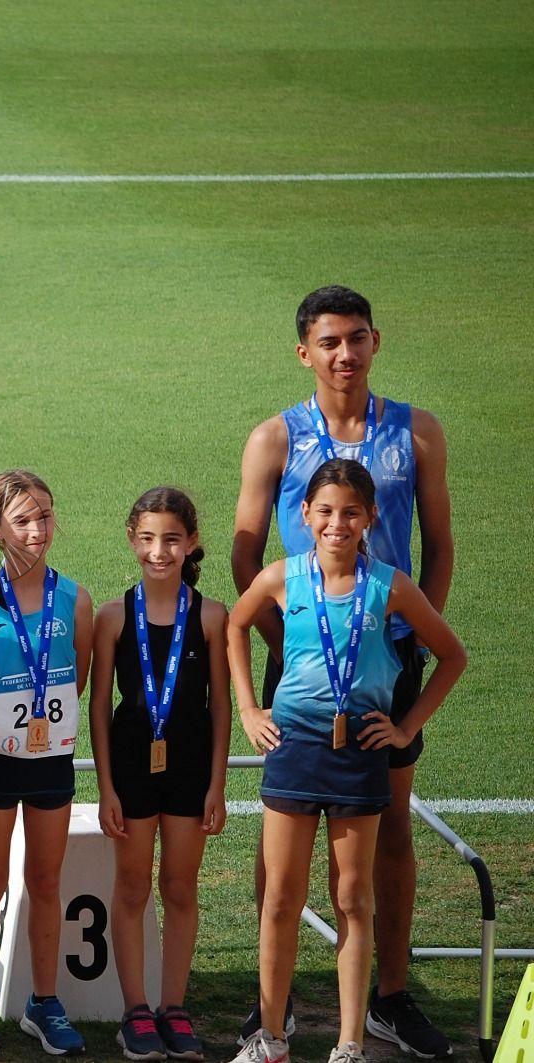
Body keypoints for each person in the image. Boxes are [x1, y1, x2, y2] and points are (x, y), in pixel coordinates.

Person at [232, 285, 455, 1056]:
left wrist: (413, 639)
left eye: (357, 337)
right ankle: (276, 1004)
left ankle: (389, 997)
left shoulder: (418, 431)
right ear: (305, 352)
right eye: (329, 341)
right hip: (301, 658)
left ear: (375, 341)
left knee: (391, 826)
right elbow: (245, 554)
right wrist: (281, 642)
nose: (345, 353)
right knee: (282, 833)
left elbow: (440, 543)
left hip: (387, 661)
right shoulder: (274, 437)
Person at [0, 469, 93, 1057]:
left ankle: (44, 1002)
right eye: (23, 520)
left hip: (52, 760)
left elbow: (77, 680)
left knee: (46, 882)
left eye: (45, 517)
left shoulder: (76, 600)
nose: (37, 530)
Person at [89, 488, 229, 1062]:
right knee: (132, 887)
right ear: (132, 540)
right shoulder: (112, 616)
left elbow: (220, 708)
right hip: (130, 767)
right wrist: (105, 786)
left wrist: (218, 784)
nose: (159, 551)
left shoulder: (212, 616)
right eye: (147, 539)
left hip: (191, 769)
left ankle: (174, 1006)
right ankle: (136, 1011)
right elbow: (99, 707)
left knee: (179, 886)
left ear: (191, 542)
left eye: (172, 539)